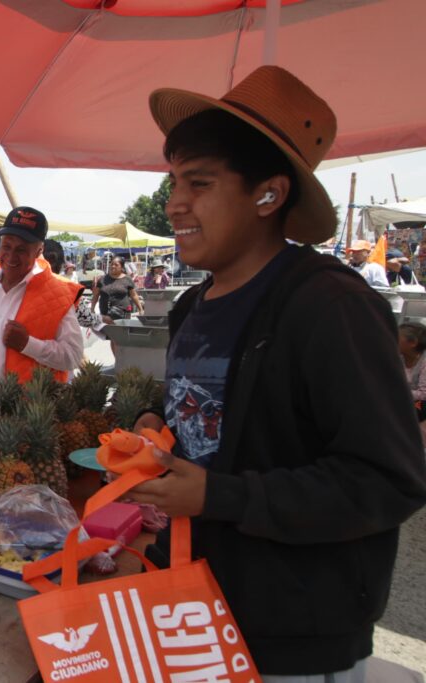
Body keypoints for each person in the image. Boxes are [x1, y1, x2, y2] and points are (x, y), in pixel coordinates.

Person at [131, 65, 426, 680]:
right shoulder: (192, 304)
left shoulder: (331, 307)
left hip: (289, 635)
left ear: (268, 195)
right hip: (189, 602)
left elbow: (386, 480)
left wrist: (219, 495)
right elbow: (208, 419)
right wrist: (156, 427)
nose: (175, 202)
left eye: (200, 183)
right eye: (174, 181)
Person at [0, 207, 84, 392]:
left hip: (21, 407)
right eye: (6, 246)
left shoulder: (58, 294)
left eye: (22, 249)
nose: (11, 256)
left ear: (39, 250)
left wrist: (28, 344)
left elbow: (73, 356)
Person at [90, 255, 145, 322]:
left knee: (121, 330)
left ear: (121, 267)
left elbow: (134, 295)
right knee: (107, 330)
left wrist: (140, 309)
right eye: (112, 264)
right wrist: (92, 309)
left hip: (123, 313)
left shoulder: (127, 279)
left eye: (116, 265)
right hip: (105, 312)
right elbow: (96, 295)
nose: (113, 266)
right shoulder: (102, 279)